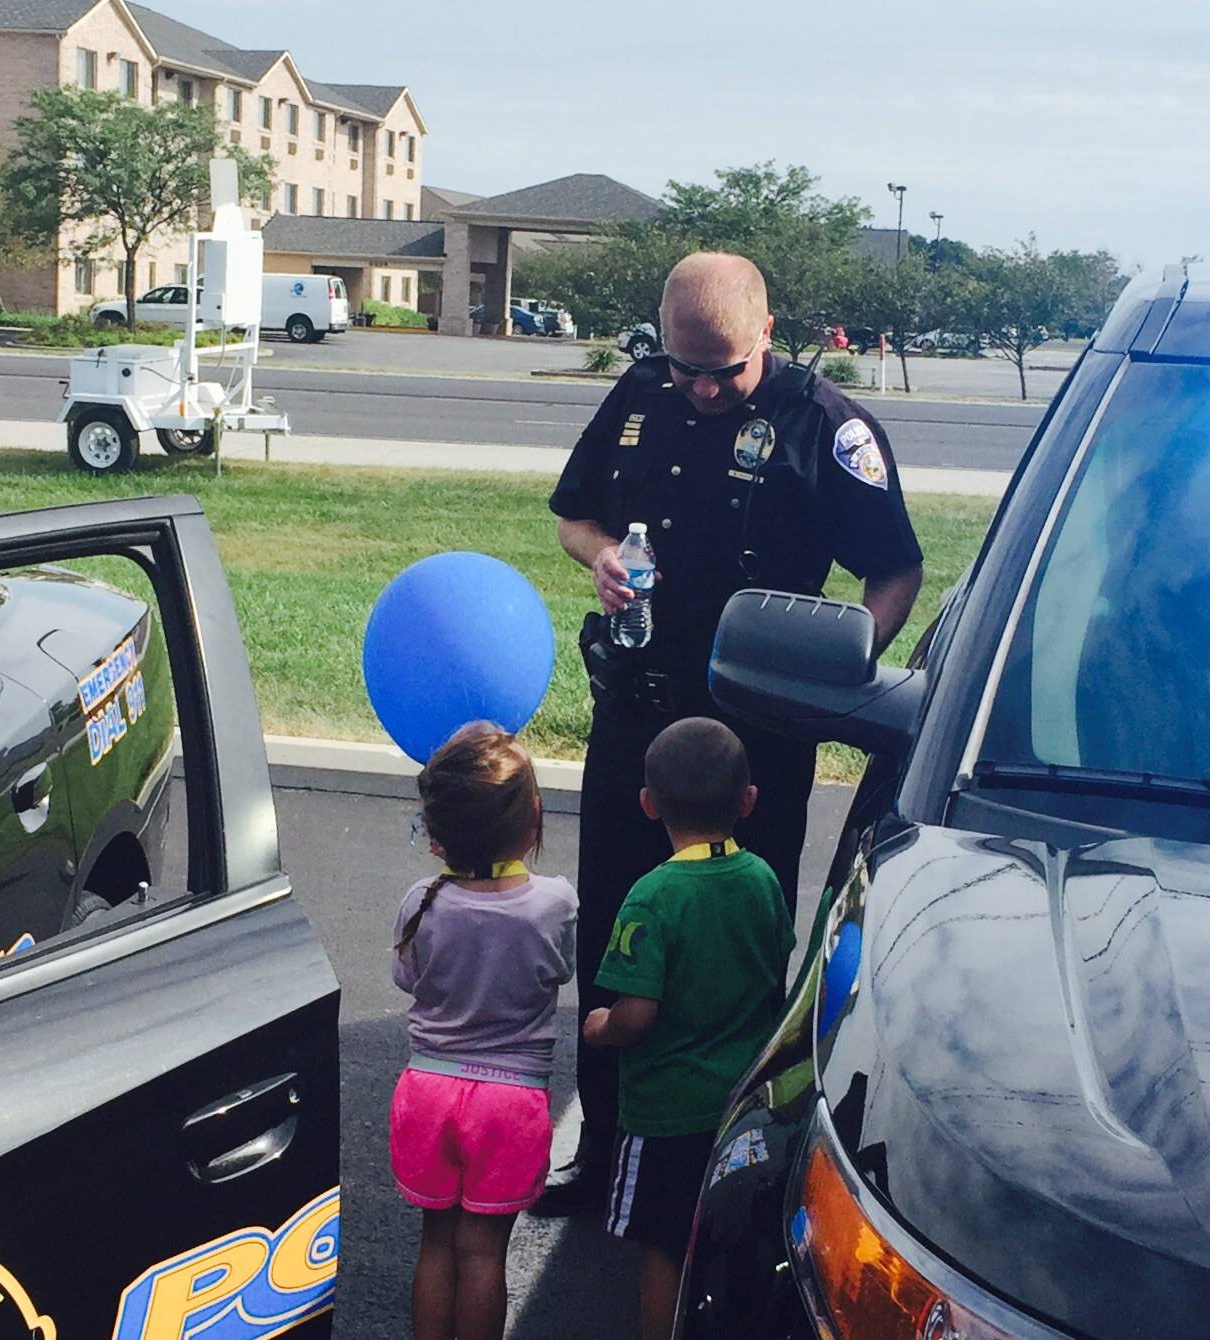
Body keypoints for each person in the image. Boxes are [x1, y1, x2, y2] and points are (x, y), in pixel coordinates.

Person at [536, 251, 924, 1215]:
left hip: (755, 732)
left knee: (739, 941)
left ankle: (733, 1154)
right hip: (638, 712)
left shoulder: (826, 428)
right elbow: (574, 517)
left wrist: (834, 665)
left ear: (767, 332)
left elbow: (895, 573)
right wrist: (599, 564)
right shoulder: (638, 393)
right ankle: (607, 1148)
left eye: (724, 370)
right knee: (620, 925)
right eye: (685, 368)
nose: (702, 389)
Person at [583, 718, 795, 1339]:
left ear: (648, 804)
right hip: (738, 1111)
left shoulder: (651, 897)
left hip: (664, 1116)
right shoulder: (762, 879)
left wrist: (601, 1028)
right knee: (722, 1240)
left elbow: (637, 1014)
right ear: (749, 800)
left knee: (661, 1250)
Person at [389, 723, 578, 1340]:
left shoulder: (422, 901)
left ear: (439, 835)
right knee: (483, 1253)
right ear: (533, 822)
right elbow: (562, 967)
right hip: (509, 1102)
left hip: (428, 1093)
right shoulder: (553, 903)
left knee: (436, 1244)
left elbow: (406, 979)